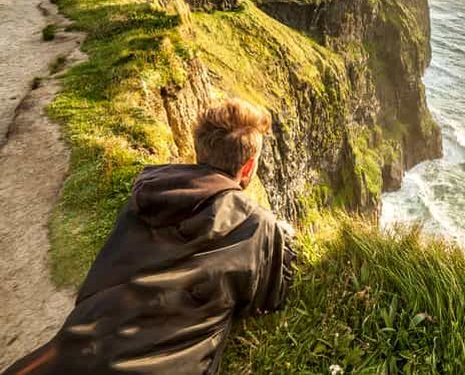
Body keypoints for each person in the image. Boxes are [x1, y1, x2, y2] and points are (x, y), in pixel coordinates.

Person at [4, 99, 294, 375]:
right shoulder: (256, 224)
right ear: (247, 168)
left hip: (73, 350)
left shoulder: (146, 194)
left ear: (199, 152)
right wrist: (280, 236)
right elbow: (268, 298)